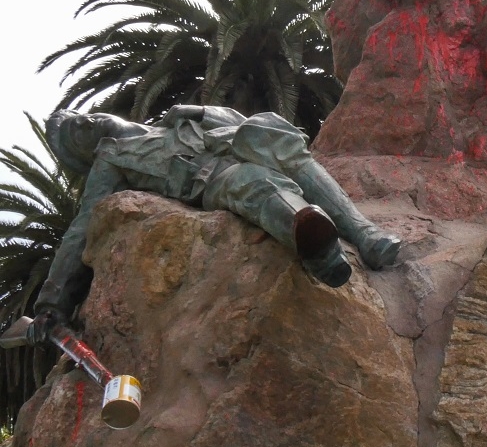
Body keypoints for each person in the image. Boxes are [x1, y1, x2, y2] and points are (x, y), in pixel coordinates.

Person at [28, 105, 401, 344]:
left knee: (269, 130)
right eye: (78, 133)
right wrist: (51, 302)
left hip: (245, 144)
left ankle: (364, 234)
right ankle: (317, 244)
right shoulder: (111, 160)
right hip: (214, 177)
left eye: (82, 117)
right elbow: (82, 228)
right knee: (255, 184)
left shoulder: (174, 118)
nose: (87, 123)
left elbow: (237, 122)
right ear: (86, 153)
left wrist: (200, 111)